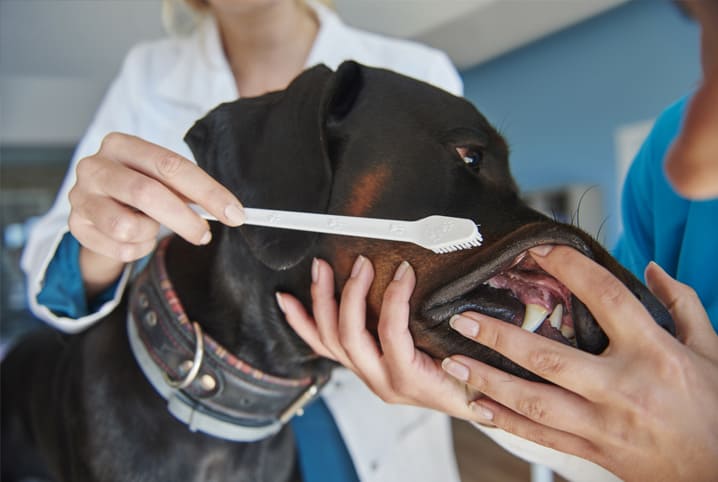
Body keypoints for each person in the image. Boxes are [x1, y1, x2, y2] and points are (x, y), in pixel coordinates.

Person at [20, 1, 465, 481]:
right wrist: (105, 239)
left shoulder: (418, 72)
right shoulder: (148, 76)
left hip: (365, 432)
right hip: (197, 432)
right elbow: (51, 288)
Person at [279, 0, 718, 480]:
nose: (685, 169)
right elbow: (626, 434)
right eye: (699, 25)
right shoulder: (664, 162)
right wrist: (480, 399)